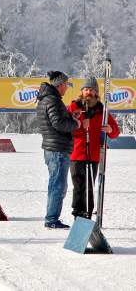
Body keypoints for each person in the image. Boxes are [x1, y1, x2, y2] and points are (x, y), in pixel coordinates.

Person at [67, 77, 119, 219]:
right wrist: (79, 127)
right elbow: (65, 128)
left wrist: (110, 129)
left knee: (90, 184)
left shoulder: (102, 110)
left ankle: (88, 212)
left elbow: (115, 131)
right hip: (77, 153)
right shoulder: (74, 107)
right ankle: (78, 212)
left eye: (91, 90)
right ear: (81, 92)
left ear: (96, 92)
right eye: (85, 89)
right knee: (78, 185)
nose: (88, 92)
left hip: (94, 154)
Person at [36, 71, 80, 229]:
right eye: (66, 85)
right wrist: (76, 124)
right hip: (57, 149)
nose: (67, 88)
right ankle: (52, 219)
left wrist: (69, 116)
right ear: (60, 85)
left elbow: (55, 120)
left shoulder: (47, 99)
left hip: (52, 147)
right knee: (58, 185)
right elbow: (58, 124)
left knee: (55, 183)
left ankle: (52, 217)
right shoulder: (53, 100)